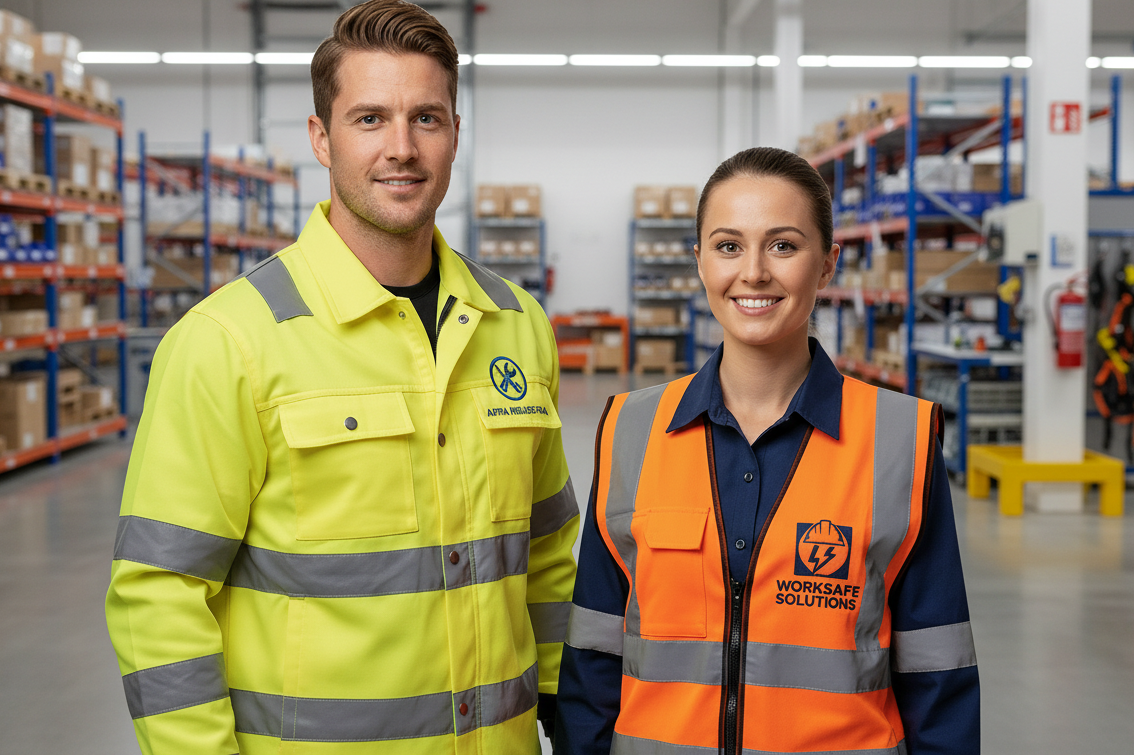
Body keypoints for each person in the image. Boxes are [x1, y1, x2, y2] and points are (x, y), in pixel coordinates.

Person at [105, 1, 578, 752]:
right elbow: (158, 594)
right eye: (369, 119)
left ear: (455, 132)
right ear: (321, 140)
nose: (402, 148)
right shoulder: (230, 342)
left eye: (426, 118)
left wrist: (568, 715)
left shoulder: (515, 324)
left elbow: (549, 556)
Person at [555, 147, 979, 755]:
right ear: (698, 261)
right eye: (728, 246)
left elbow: (940, 675)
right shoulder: (631, 431)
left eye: (783, 245)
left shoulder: (899, 439)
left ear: (828, 263)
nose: (753, 272)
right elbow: (593, 657)